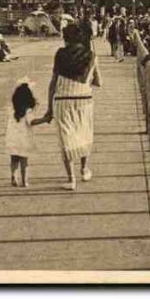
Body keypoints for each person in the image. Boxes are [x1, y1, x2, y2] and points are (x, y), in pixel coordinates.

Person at [45, 24, 103, 191]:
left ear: (66, 39)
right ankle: (84, 170)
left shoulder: (60, 55)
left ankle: (71, 179)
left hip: (62, 101)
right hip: (84, 100)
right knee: (84, 134)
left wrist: (49, 109)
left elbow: (53, 84)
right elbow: (99, 82)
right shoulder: (91, 55)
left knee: (66, 138)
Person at [6, 82, 50, 187]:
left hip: (12, 138)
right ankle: (24, 181)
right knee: (24, 161)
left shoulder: (12, 109)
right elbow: (32, 122)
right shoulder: (28, 110)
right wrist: (45, 119)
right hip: (23, 139)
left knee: (14, 159)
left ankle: (13, 176)